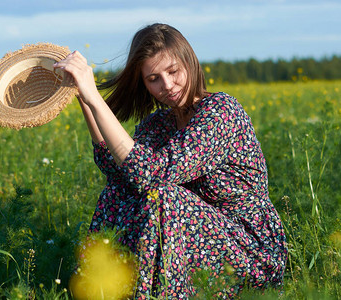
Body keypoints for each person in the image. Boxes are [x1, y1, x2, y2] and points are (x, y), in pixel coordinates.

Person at [54, 23, 287, 299]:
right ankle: (103, 287)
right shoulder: (158, 124)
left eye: (173, 72)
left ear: (190, 62)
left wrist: (95, 95)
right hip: (192, 246)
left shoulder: (221, 112)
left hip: (249, 251)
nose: (167, 85)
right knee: (119, 191)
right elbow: (120, 173)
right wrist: (85, 99)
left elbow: (152, 173)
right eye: (153, 78)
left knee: (164, 195)